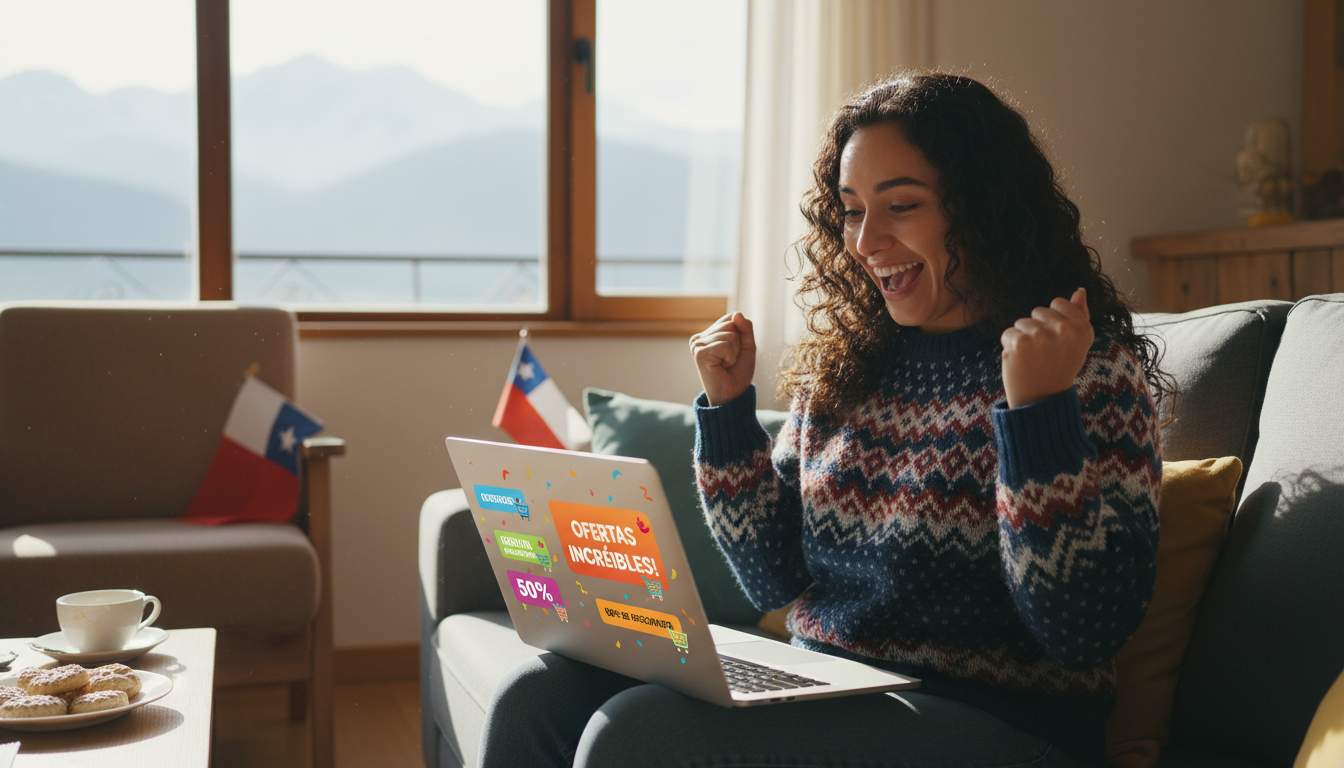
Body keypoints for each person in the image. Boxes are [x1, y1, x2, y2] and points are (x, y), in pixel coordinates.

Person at [478, 72, 1171, 768]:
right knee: (537, 696)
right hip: (829, 687)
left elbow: (1083, 630)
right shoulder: (853, 369)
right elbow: (772, 581)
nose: (867, 241)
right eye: (850, 210)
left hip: (1000, 724)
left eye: (900, 205)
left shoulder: (1084, 370)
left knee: (641, 731)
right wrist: (726, 416)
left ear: (984, 207)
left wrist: (1037, 417)